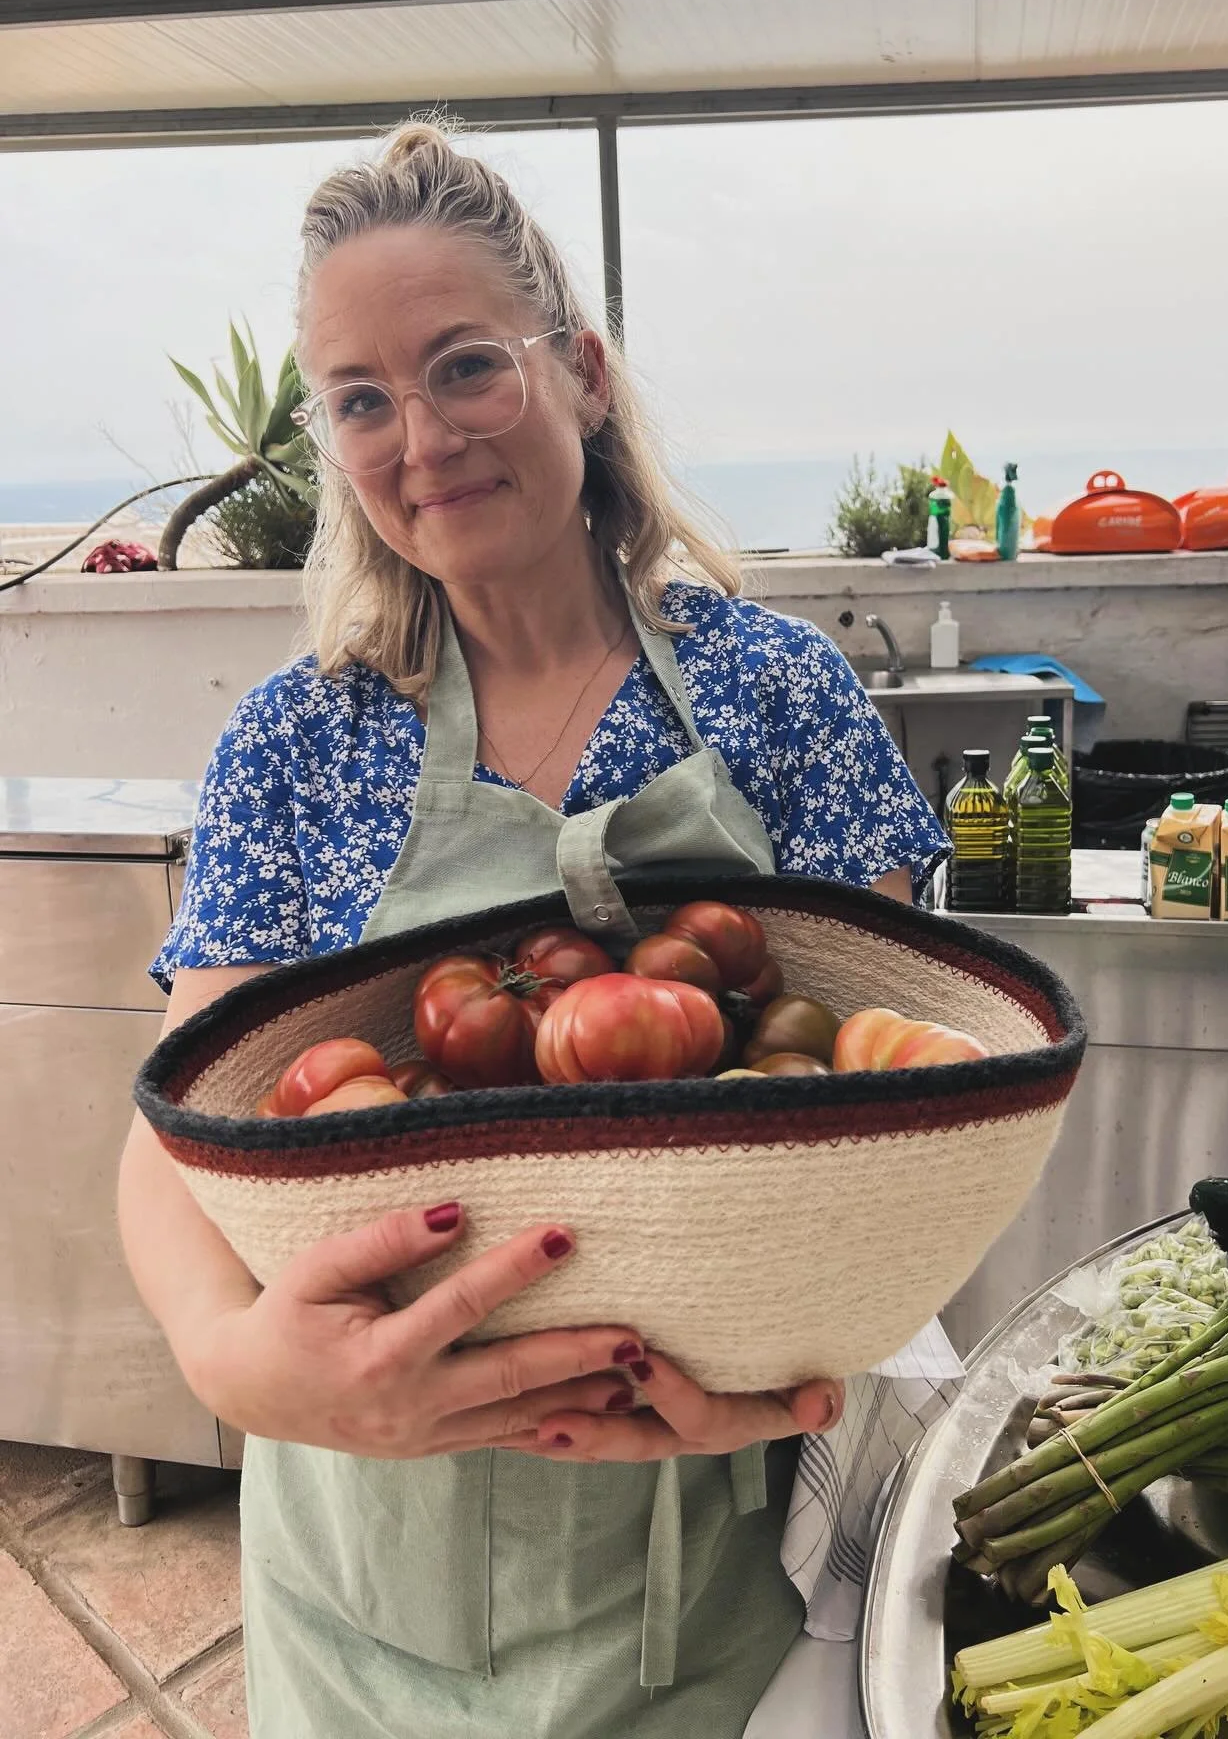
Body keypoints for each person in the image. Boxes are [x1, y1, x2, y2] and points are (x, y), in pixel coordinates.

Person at [118, 122, 950, 1738]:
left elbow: (885, 1107)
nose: (418, 437)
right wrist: (234, 1369)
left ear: (576, 372)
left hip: (721, 1550)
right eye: (361, 398)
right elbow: (179, 1128)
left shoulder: (779, 693)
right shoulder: (299, 740)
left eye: (462, 369)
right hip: (376, 1565)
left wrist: (796, 1359)